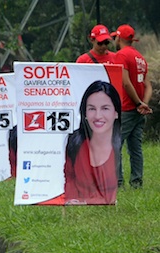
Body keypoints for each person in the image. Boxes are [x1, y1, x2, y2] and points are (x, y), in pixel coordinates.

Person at [64, 81, 121, 205]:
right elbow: (68, 178)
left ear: (116, 113)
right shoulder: (74, 143)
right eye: (91, 109)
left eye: (105, 108)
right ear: (85, 114)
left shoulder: (118, 147)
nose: (98, 116)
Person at [111, 24, 153, 189]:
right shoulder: (140, 57)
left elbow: (126, 83)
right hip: (138, 110)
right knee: (135, 148)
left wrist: (137, 103)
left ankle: (118, 183)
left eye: (115, 37)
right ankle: (137, 182)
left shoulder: (121, 55)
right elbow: (148, 86)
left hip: (128, 108)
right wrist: (144, 104)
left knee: (115, 145)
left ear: (119, 38)